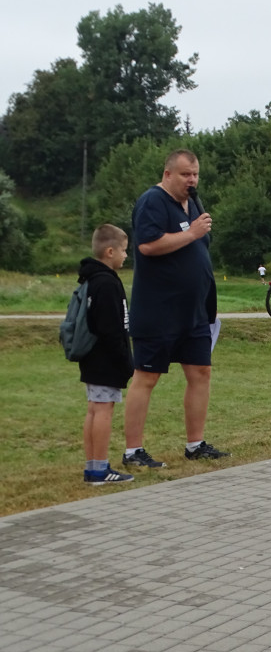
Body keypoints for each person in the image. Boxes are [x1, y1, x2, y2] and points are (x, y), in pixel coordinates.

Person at [122, 149, 230, 467]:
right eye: (185, 174)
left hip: (193, 312)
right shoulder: (152, 201)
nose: (192, 180)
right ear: (168, 174)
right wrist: (191, 232)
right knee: (147, 376)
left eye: (195, 174)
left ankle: (195, 444)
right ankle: (133, 451)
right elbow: (147, 244)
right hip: (159, 310)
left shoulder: (193, 202)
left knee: (200, 372)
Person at [77, 225, 136, 485]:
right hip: (105, 358)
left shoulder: (91, 279)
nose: (126, 255)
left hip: (92, 357)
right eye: (123, 250)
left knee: (94, 410)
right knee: (103, 411)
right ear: (110, 251)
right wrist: (125, 360)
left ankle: (93, 466)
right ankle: (99, 469)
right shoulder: (107, 283)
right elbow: (112, 329)